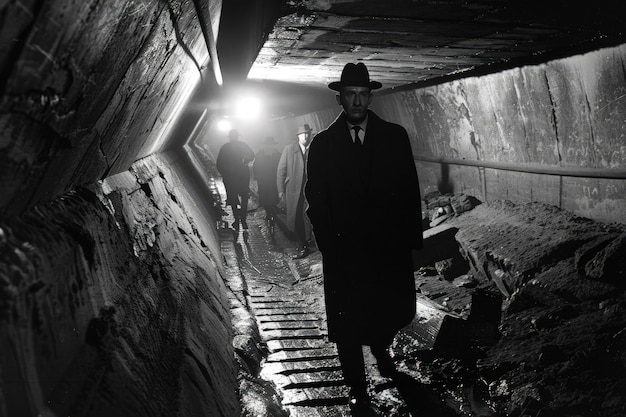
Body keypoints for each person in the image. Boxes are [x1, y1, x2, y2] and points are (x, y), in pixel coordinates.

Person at [304, 62, 423, 413]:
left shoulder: (394, 137)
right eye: (350, 95)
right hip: (345, 249)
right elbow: (316, 198)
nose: (357, 101)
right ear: (340, 99)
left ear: (369, 97)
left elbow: (408, 191)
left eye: (362, 94)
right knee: (347, 321)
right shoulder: (323, 145)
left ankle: (382, 350)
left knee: (388, 310)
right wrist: (328, 243)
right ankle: (357, 387)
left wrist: (410, 241)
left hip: (387, 247)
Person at [277, 124, 314, 259]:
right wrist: (281, 190)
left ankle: (308, 244)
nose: (305, 137)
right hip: (294, 191)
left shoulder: (316, 148)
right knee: (297, 217)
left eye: (307, 134)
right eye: (302, 134)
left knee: (309, 217)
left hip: (311, 190)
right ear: (298, 136)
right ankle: (303, 243)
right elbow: (281, 171)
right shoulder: (289, 150)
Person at [216, 128, 255, 231]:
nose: (234, 138)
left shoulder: (241, 145)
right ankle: (237, 220)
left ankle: (243, 219)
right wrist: (225, 174)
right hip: (232, 177)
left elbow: (252, 155)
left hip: (241, 176)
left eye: (235, 136)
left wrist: (246, 159)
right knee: (233, 199)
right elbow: (219, 164)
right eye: (232, 137)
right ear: (230, 137)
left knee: (244, 198)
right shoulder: (225, 148)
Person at [253, 136, 281, 221]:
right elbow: (256, 166)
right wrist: (258, 178)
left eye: (271, 144)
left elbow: (282, 166)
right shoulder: (260, 154)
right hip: (263, 179)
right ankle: (268, 212)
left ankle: (274, 208)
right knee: (265, 197)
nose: (269, 146)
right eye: (268, 144)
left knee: (274, 195)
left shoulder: (277, 154)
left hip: (274, 178)